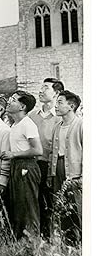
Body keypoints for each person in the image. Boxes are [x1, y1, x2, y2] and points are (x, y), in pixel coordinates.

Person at [0, 91, 43, 239]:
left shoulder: (27, 124)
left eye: (13, 100)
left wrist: (14, 154)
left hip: (27, 167)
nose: (9, 101)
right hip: (16, 167)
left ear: (22, 106)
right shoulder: (15, 124)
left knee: (28, 207)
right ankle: (21, 246)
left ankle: (32, 244)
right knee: (18, 208)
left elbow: (38, 150)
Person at [29, 78, 64, 240]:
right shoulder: (31, 116)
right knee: (31, 202)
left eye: (46, 88)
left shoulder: (60, 119)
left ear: (56, 93)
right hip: (30, 165)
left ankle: (48, 238)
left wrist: (51, 172)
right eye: (41, 87)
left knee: (49, 203)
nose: (41, 91)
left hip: (49, 166)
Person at [49, 90, 82, 245]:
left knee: (78, 208)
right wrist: (51, 173)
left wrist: (82, 176)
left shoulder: (81, 125)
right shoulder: (57, 126)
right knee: (62, 207)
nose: (56, 105)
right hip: (59, 170)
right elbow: (53, 152)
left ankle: (82, 244)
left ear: (71, 106)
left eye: (60, 102)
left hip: (75, 173)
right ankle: (68, 244)